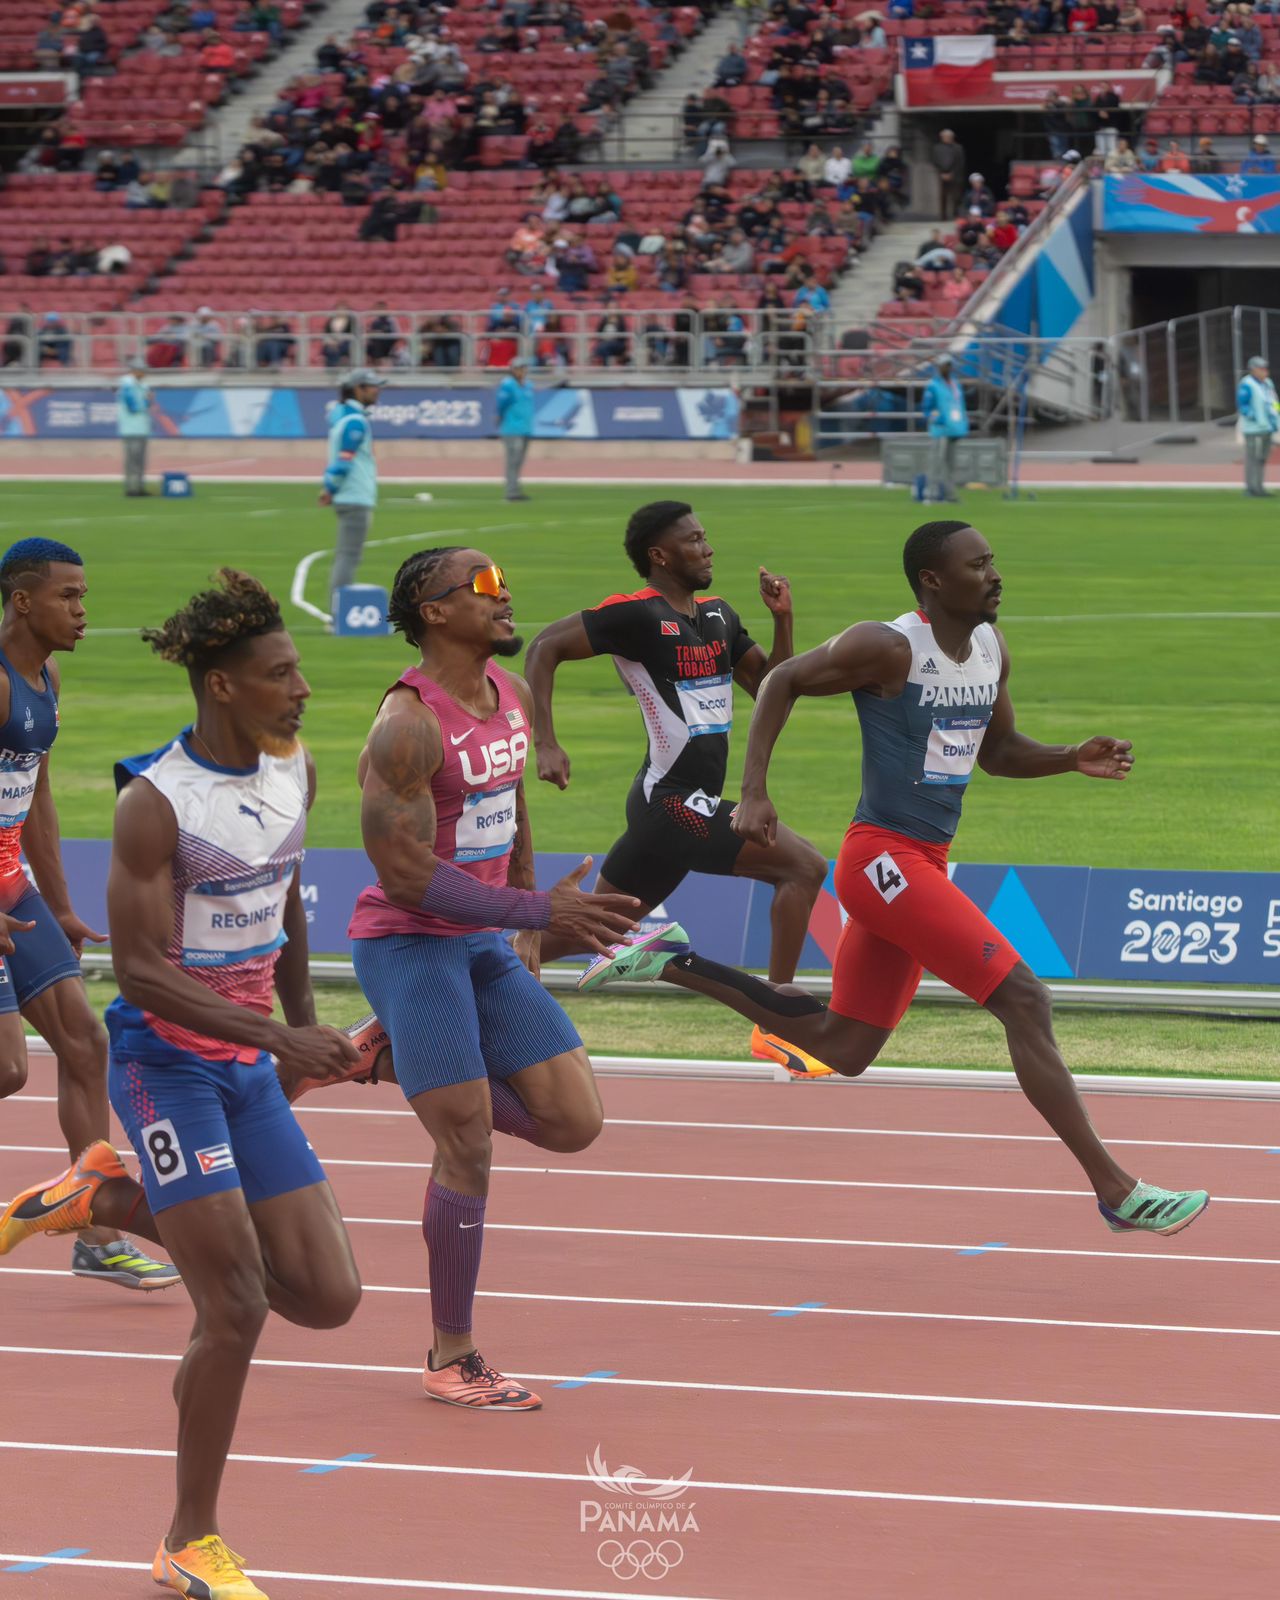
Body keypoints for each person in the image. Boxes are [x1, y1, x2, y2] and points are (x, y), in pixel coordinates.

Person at [580, 521, 1211, 1240]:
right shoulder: (887, 646)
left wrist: (1071, 757)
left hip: (923, 862)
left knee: (843, 1050)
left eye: (994, 562)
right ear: (934, 582)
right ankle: (1117, 1190)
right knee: (1025, 998)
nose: (995, 575)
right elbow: (782, 680)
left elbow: (998, 753)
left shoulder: (990, 650)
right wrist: (753, 791)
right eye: (979, 566)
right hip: (884, 861)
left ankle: (670, 959)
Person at [0, 569, 368, 1598]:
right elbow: (146, 969)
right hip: (166, 1064)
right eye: (278, 675)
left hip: (249, 1061)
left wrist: (298, 1030)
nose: (299, 690)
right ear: (220, 684)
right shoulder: (154, 802)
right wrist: (273, 1037)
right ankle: (188, 1538)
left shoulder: (294, 770)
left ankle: (103, 1196)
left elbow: (288, 902)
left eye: (296, 671)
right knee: (237, 1304)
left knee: (329, 1297)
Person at [345, 546, 642, 1408]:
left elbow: (508, 810)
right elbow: (402, 873)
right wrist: (536, 913)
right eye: (482, 587)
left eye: (504, 580)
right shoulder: (407, 724)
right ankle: (452, 1354)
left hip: (482, 938)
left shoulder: (506, 696)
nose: (504, 594)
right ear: (435, 612)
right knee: (466, 1140)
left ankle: (385, 1059)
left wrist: (524, 920)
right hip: (410, 942)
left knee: (573, 1121)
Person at [524, 502, 832, 1077]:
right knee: (803, 868)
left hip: (675, 806)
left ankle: (474, 967)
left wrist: (783, 620)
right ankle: (779, 1021)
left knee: (599, 925)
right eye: (693, 541)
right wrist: (546, 740)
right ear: (660, 557)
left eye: (706, 537)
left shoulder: (719, 616)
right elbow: (543, 648)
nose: (708, 548)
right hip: (670, 804)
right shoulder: (634, 615)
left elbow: (772, 689)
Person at [0, 538, 177, 1290]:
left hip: (15, 886)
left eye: (83, 595)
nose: (81, 610)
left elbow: (35, 794)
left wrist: (61, 904)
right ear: (21, 601)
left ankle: (97, 1235)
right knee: (8, 1069)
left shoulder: (46, 675)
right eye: (68, 596)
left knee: (83, 1043)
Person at [320, 367, 385, 615]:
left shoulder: (345, 417)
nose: (377, 390)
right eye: (372, 386)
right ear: (358, 389)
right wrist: (330, 487)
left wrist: (330, 489)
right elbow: (344, 460)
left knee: (347, 556)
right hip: (355, 496)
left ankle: (338, 612)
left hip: (349, 495)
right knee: (348, 557)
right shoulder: (355, 422)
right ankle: (339, 614)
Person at [922, 356, 969, 502]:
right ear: (939, 367)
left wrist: (963, 424)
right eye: (945, 366)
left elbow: (959, 406)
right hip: (940, 429)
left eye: (949, 366)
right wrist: (938, 419)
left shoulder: (955, 384)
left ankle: (950, 494)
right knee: (936, 463)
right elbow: (927, 408)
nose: (948, 368)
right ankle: (930, 493)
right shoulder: (933, 385)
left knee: (951, 464)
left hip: (954, 429)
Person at [1237, 353, 1278, 496]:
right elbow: (1243, 405)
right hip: (1253, 428)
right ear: (1253, 370)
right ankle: (1251, 487)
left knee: (1262, 458)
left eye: (1265, 368)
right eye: (1261, 368)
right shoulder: (1247, 384)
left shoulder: (1268, 383)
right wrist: (1254, 417)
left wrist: (1275, 418)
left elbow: (1273, 402)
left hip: (1267, 427)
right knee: (1252, 458)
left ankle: (1259, 486)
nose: (1265, 371)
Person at [496, 355, 535, 502]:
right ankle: (511, 491)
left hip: (525, 428)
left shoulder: (528, 385)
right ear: (514, 369)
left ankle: (515, 489)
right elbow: (501, 404)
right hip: (511, 428)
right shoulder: (508, 385)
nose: (523, 371)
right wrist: (499, 417)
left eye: (525, 368)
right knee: (512, 461)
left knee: (519, 461)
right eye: (521, 368)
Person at [118, 357, 156, 497]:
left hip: (142, 428)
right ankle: (131, 488)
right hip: (130, 428)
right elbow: (132, 407)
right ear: (135, 371)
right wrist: (147, 401)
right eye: (142, 371)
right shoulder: (127, 386)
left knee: (140, 460)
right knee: (132, 460)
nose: (144, 373)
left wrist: (147, 400)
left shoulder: (143, 385)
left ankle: (139, 487)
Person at [931, 128, 965, 217]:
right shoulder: (937, 148)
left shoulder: (958, 148)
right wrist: (942, 173)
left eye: (948, 137)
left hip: (955, 175)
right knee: (943, 196)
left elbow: (961, 162)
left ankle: (955, 213)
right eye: (944, 137)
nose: (946, 138)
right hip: (942, 175)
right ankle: (943, 215)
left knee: (956, 196)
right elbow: (935, 161)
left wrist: (952, 173)